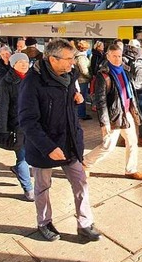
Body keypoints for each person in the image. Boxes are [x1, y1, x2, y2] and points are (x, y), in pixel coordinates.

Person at [18, 39, 100, 242]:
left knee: (81, 183)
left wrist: (76, 98)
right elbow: (27, 121)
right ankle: (44, 223)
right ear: (52, 59)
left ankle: (85, 223)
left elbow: (67, 96)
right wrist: (48, 148)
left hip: (70, 142)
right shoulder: (32, 82)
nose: (73, 63)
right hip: (45, 147)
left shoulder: (70, 75)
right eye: (69, 59)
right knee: (43, 188)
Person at [84, 44, 142, 180]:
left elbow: (131, 93)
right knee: (108, 146)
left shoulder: (125, 71)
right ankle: (85, 163)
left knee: (132, 141)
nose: (117, 59)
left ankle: (130, 170)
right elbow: (100, 101)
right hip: (114, 115)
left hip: (126, 113)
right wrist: (104, 123)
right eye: (114, 56)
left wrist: (134, 110)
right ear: (108, 56)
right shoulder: (104, 75)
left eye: (119, 56)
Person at [0, 52, 34, 201]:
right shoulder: (7, 82)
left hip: (35, 125)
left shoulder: (34, 78)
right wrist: (2, 131)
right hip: (17, 126)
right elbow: (2, 109)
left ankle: (20, 171)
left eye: (26, 62)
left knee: (34, 156)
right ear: (13, 64)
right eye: (20, 62)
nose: (24, 64)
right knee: (22, 157)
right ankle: (28, 188)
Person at [126, 39, 142, 146]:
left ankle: (141, 136)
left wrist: (126, 64)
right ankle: (129, 136)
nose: (131, 50)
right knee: (129, 114)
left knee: (140, 114)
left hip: (140, 90)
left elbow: (134, 70)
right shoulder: (137, 57)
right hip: (133, 88)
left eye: (132, 48)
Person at [75, 40, 92, 120]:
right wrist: (90, 76)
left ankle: (81, 113)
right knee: (82, 97)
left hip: (80, 79)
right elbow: (84, 70)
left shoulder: (78, 56)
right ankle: (81, 114)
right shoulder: (81, 57)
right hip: (82, 80)